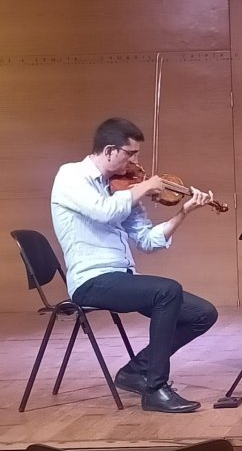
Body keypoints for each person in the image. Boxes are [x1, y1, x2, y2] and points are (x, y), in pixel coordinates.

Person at [50, 117, 219, 413]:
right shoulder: (71, 176)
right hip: (91, 282)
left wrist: (184, 212)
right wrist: (145, 188)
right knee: (167, 290)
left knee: (203, 314)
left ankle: (135, 371)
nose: (136, 162)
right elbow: (103, 212)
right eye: (131, 154)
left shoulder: (121, 188)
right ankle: (155, 389)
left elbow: (148, 241)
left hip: (121, 278)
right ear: (110, 151)